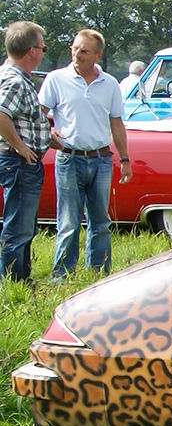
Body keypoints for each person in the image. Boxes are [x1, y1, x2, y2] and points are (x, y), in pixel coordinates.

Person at [40, 29, 132, 278]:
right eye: (74, 48)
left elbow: (116, 123)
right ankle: (62, 276)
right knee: (68, 222)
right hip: (69, 158)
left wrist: (124, 159)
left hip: (101, 159)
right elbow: (39, 112)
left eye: (84, 51)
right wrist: (47, 133)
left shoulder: (110, 83)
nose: (76, 54)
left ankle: (98, 274)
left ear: (98, 56)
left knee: (100, 221)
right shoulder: (57, 79)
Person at [0, 21, 49, 284]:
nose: (43, 52)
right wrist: (21, 147)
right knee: (19, 226)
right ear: (32, 51)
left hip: (18, 159)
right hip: (18, 161)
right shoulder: (15, 81)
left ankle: (19, 276)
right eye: (43, 47)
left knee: (22, 224)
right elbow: (1, 114)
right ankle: (14, 280)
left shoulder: (14, 77)